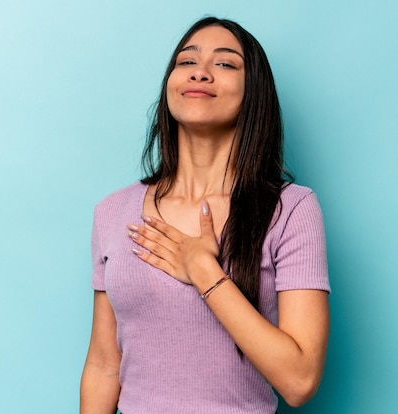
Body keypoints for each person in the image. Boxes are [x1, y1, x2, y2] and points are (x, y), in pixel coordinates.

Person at [80, 16, 330, 414]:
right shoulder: (112, 211)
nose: (200, 72)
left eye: (226, 64)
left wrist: (204, 272)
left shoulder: (292, 209)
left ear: (254, 95)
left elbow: (300, 381)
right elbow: (104, 365)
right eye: (186, 62)